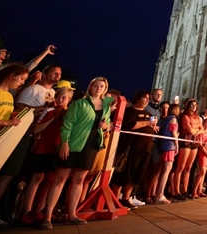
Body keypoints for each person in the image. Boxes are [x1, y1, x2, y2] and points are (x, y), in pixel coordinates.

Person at [41, 76, 112, 229]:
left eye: (101, 87)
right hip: (73, 144)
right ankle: (47, 217)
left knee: (79, 180)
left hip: (91, 146)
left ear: (104, 89)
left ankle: (72, 214)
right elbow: (68, 123)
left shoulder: (106, 107)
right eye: (96, 86)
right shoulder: (79, 103)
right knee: (60, 179)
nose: (98, 89)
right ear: (90, 87)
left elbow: (107, 124)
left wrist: (105, 127)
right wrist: (65, 142)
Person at [19, 84, 74, 225]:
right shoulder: (49, 111)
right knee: (36, 178)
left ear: (69, 100)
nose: (61, 100)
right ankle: (26, 212)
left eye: (64, 97)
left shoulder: (70, 113)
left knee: (51, 180)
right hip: (42, 148)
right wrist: (53, 118)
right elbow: (37, 129)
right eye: (59, 97)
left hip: (57, 150)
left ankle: (39, 211)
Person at [0, 63, 26, 227]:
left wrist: (14, 116)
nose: (21, 82)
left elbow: (5, 117)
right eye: (21, 78)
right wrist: (6, 122)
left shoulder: (9, 96)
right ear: (11, 75)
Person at [111, 90, 157, 209]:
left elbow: (150, 126)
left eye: (148, 98)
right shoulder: (130, 111)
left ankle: (126, 198)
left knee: (136, 176)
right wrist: (146, 123)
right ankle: (115, 199)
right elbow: (130, 125)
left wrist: (154, 127)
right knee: (124, 175)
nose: (147, 100)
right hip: (131, 148)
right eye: (144, 98)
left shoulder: (148, 114)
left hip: (145, 149)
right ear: (137, 99)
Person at [172, 98, 201, 200]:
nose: (194, 107)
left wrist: (195, 131)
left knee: (188, 167)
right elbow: (190, 131)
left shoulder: (197, 117)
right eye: (192, 105)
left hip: (195, 142)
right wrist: (196, 130)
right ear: (188, 106)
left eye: (195, 105)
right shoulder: (185, 116)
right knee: (180, 167)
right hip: (186, 141)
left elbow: (201, 129)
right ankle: (176, 191)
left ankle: (184, 190)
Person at [155, 103, 180, 204]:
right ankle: (160, 195)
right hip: (169, 145)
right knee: (166, 170)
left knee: (164, 170)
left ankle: (159, 194)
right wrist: (177, 144)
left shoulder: (166, 119)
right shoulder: (173, 119)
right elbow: (174, 133)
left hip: (163, 144)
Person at [192, 116, 207, 198]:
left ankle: (199, 191)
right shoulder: (201, 133)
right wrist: (206, 152)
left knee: (203, 174)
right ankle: (194, 191)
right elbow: (200, 145)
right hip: (203, 153)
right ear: (204, 124)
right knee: (201, 172)